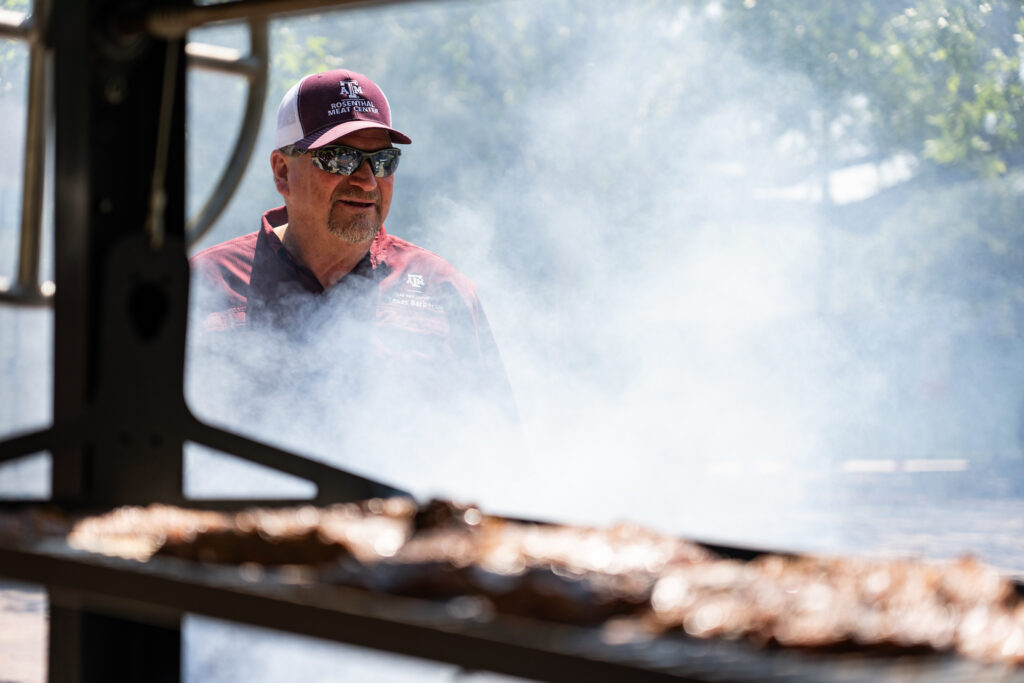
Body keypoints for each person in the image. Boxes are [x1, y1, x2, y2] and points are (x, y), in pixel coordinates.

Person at [188, 69, 517, 460]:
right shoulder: (201, 287)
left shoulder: (442, 290)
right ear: (282, 172)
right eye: (339, 158)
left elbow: (504, 459)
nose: (366, 181)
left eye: (383, 161)